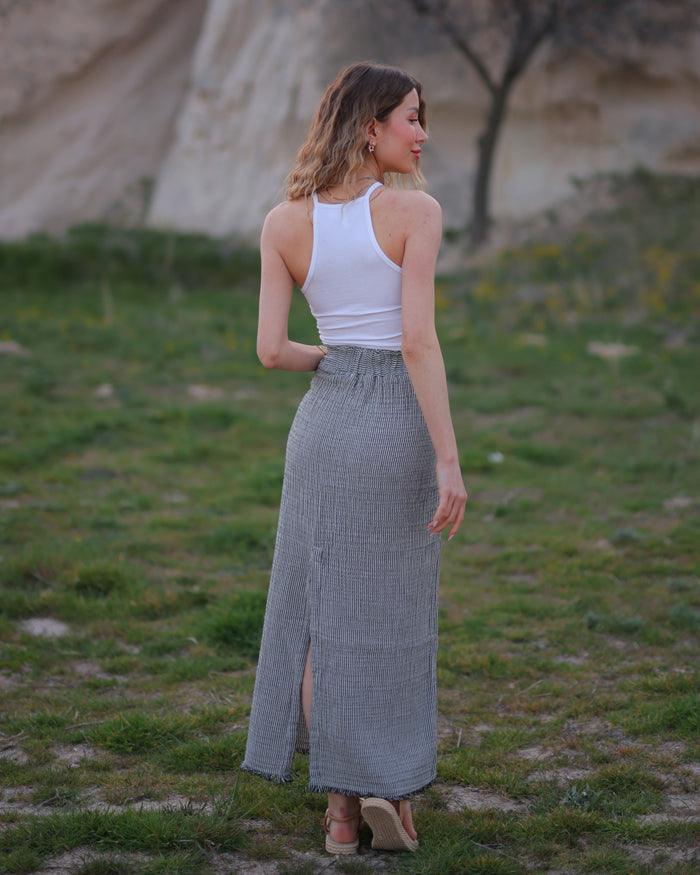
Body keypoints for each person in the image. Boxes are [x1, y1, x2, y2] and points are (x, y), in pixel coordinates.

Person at [239, 60, 468, 856]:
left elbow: (270, 351)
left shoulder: (283, 222)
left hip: (323, 425)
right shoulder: (416, 213)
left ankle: (340, 813)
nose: (422, 132)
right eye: (411, 116)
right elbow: (416, 342)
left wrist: (332, 359)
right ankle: (393, 794)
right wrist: (447, 459)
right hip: (393, 427)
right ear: (370, 126)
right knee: (394, 615)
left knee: (317, 619)